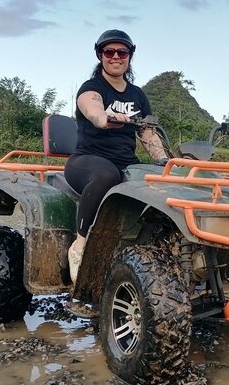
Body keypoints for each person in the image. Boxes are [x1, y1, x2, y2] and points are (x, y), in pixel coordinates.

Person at [64, 29, 168, 283]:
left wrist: (165, 162)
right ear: (100, 55)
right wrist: (106, 117)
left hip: (126, 161)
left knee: (161, 178)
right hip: (87, 160)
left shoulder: (138, 95)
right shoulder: (92, 88)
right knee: (106, 175)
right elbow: (92, 108)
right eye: (109, 52)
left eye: (122, 52)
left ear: (130, 56)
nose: (115, 57)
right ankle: (79, 246)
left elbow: (148, 135)